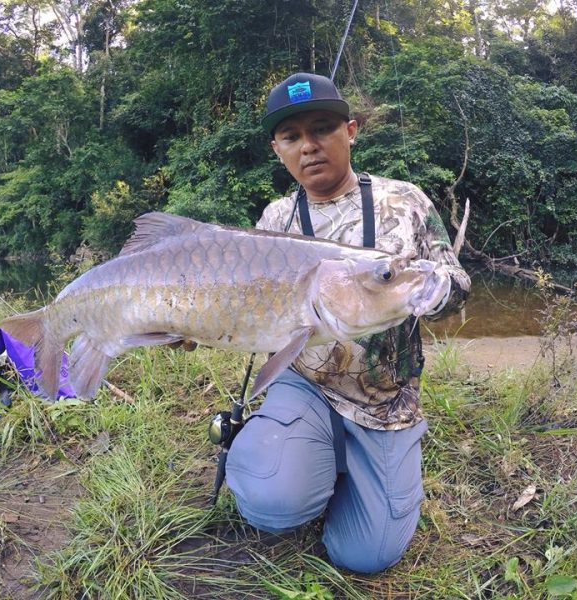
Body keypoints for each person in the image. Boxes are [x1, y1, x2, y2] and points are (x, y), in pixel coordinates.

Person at [226, 72, 471, 574]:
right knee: (268, 502)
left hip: (385, 398)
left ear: (351, 130)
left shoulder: (405, 202)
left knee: (365, 554)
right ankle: (308, 458)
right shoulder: (275, 219)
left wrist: (437, 289)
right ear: (277, 149)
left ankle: (348, 464)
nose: (308, 147)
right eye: (292, 137)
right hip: (304, 384)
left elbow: (457, 285)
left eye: (322, 129)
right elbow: (248, 307)